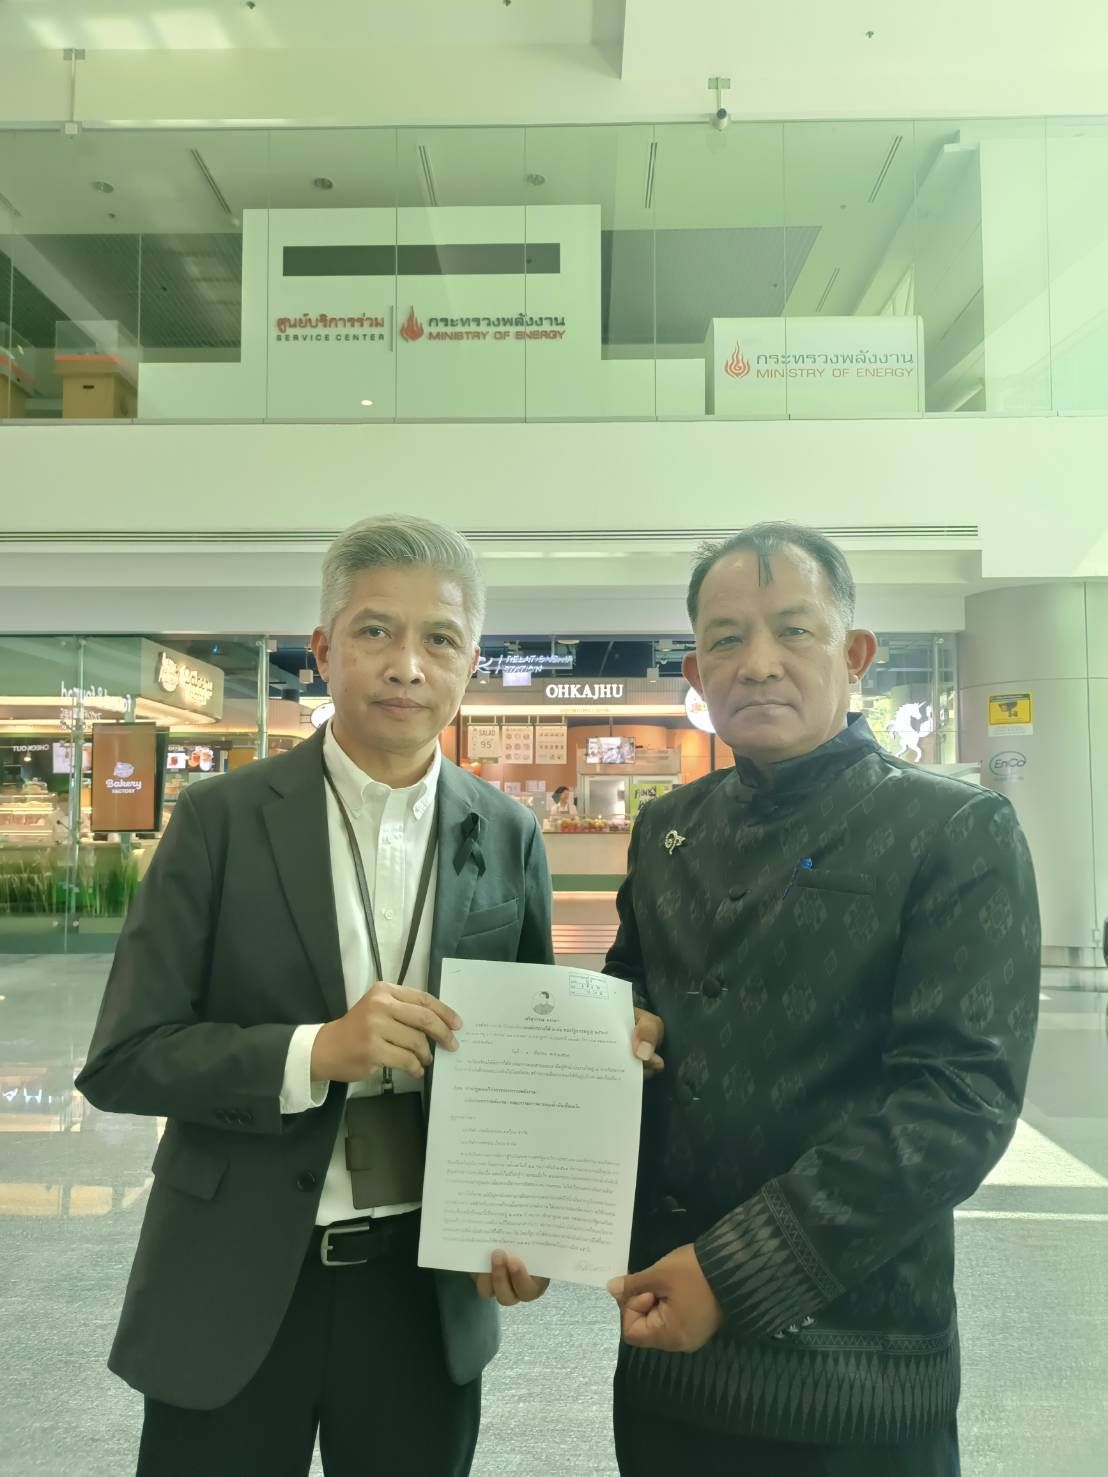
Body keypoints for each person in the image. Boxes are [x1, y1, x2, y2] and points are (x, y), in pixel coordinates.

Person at [77, 515, 558, 1477]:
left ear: (471, 663)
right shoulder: (219, 821)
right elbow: (124, 1058)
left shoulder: (507, 833)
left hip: (423, 1296)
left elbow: (528, 1063)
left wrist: (528, 1220)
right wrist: (313, 1052)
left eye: (440, 639)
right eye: (376, 630)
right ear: (324, 649)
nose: (407, 665)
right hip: (232, 1279)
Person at [604, 522, 1040, 1477]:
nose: (758, 662)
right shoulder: (669, 829)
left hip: (857, 1377)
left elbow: (957, 1103)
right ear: (696, 671)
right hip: (668, 1361)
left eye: (794, 630)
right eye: (726, 638)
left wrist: (731, 1273)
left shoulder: (953, 829)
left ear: (855, 654)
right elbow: (625, 996)